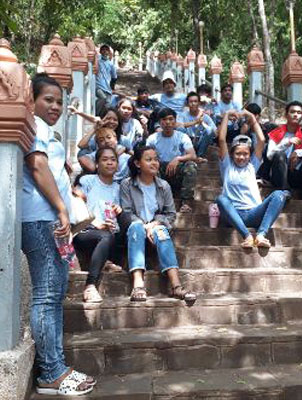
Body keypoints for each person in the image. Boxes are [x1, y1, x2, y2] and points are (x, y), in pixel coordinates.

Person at [21, 73, 95, 395]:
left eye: (59, 102)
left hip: (49, 220)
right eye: (47, 99)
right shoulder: (34, 128)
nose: (54, 106)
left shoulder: (45, 131)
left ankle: (56, 368)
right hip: (41, 220)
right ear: (31, 100)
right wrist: (62, 209)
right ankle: (51, 372)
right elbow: (37, 166)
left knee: (53, 295)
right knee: (47, 296)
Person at [120, 144, 196, 303]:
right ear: (137, 163)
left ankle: (176, 285)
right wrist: (142, 225)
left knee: (161, 230)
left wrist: (153, 224)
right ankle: (138, 283)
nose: (154, 163)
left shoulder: (163, 186)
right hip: (135, 232)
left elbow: (170, 215)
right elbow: (126, 213)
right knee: (135, 227)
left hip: (155, 231)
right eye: (148, 160)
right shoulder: (127, 184)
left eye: (156, 159)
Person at [216, 109, 289, 248]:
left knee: (279, 194)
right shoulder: (227, 166)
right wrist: (226, 115)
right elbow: (221, 139)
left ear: (250, 155)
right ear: (232, 154)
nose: (242, 157)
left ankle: (261, 235)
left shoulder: (252, 165)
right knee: (221, 199)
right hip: (234, 215)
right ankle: (247, 236)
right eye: (238, 153)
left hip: (254, 213)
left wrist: (250, 116)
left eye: (245, 154)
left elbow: (261, 139)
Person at [73, 147, 122, 303]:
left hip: (108, 234)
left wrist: (118, 211)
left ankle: (104, 261)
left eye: (113, 159)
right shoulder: (88, 181)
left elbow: (116, 215)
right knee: (105, 236)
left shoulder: (118, 188)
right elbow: (76, 199)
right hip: (84, 230)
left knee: (110, 236)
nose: (109, 163)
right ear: (97, 163)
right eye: (105, 159)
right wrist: (95, 222)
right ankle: (90, 285)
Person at [146, 107, 198, 213]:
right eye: (164, 119)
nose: (168, 122)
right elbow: (146, 157)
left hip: (177, 171)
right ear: (160, 122)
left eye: (171, 119)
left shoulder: (182, 137)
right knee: (151, 166)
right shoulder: (152, 138)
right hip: (160, 172)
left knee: (191, 166)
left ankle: (186, 202)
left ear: (175, 121)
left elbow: (193, 155)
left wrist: (178, 158)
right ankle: (159, 202)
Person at [267, 101, 302, 195]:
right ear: (286, 114)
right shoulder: (276, 132)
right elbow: (269, 155)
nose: (295, 115)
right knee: (279, 155)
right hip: (281, 175)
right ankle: (284, 192)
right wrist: (286, 143)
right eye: (292, 112)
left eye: (299, 113)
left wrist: (299, 152)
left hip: (298, 173)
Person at [177, 91, 217, 162]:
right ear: (187, 103)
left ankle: (199, 156)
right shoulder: (182, 115)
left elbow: (215, 132)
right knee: (180, 129)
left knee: (209, 130)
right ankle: (185, 154)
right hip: (187, 142)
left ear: (199, 103)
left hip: (200, 142)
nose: (193, 104)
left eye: (195, 101)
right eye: (191, 101)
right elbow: (178, 125)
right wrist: (195, 122)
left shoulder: (205, 116)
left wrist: (204, 124)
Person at [96, 44, 117, 113]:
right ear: (100, 51)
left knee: (107, 105)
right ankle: (96, 114)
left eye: (106, 50)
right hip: (98, 86)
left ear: (108, 52)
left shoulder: (110, 64)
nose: (104, 51)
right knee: (103, 98)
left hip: (107, 88)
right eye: (103, 50)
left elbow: (114, 77)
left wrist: (112, 88)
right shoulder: (97, 62)